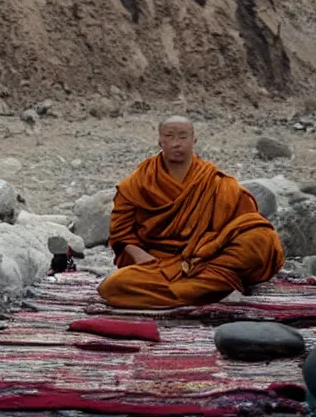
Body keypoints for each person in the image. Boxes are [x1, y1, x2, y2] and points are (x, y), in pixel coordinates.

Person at [97, 116, 285, 309]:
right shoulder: (137, 184)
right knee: (112, 286)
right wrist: (139, 255)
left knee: (262, 237)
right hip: (159, 265)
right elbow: (120, 234)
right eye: (169, 136)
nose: (176, 143)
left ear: (194, 139)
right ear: (159, 140)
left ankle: (189, 291)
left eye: (183, 136)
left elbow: (244, 223)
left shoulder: (215, 182)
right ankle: (208, 290)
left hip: (208, 258)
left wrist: (212, 248)